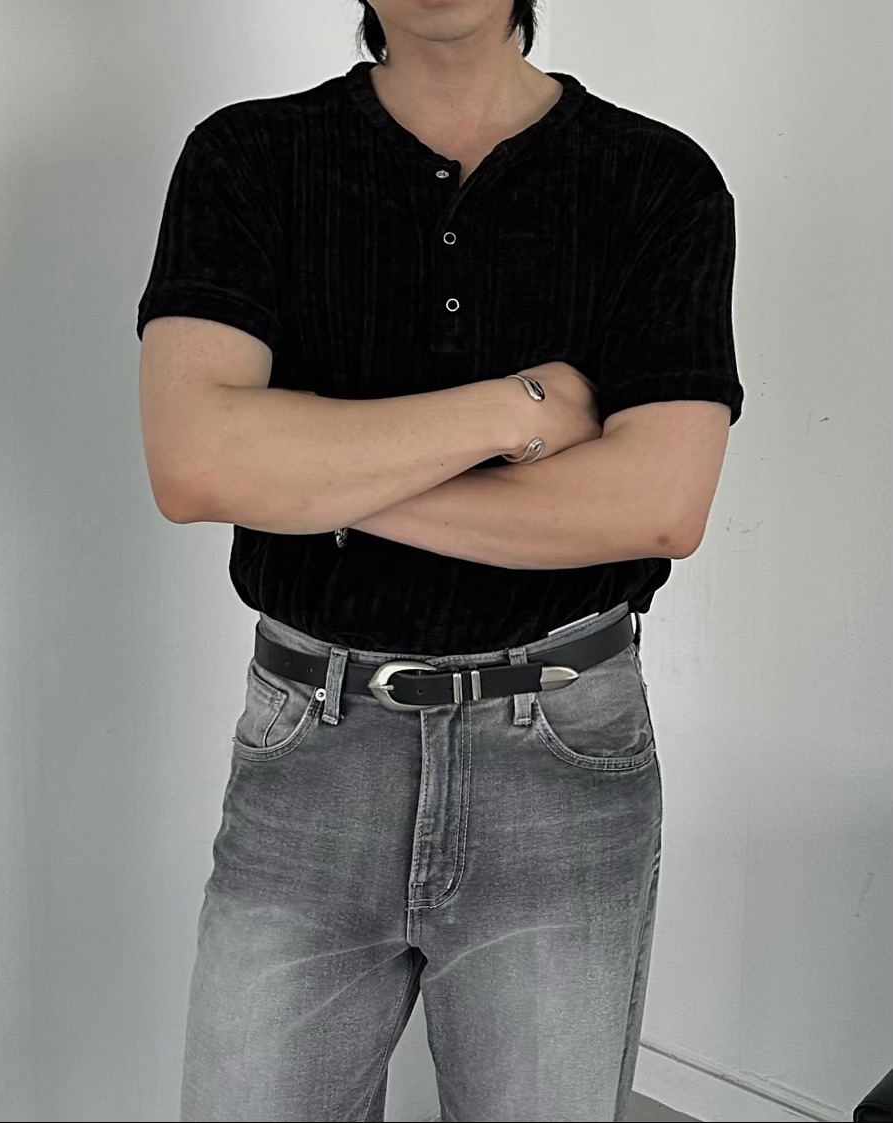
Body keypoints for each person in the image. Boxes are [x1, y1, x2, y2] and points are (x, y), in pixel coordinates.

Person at [136, 2, 744, 1119]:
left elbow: (658, 505)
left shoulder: (657, 179)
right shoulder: (248, 156)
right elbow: (195, 467)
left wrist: (317, 476)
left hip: (562, 751)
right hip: (309, 743)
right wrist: (513, 409)